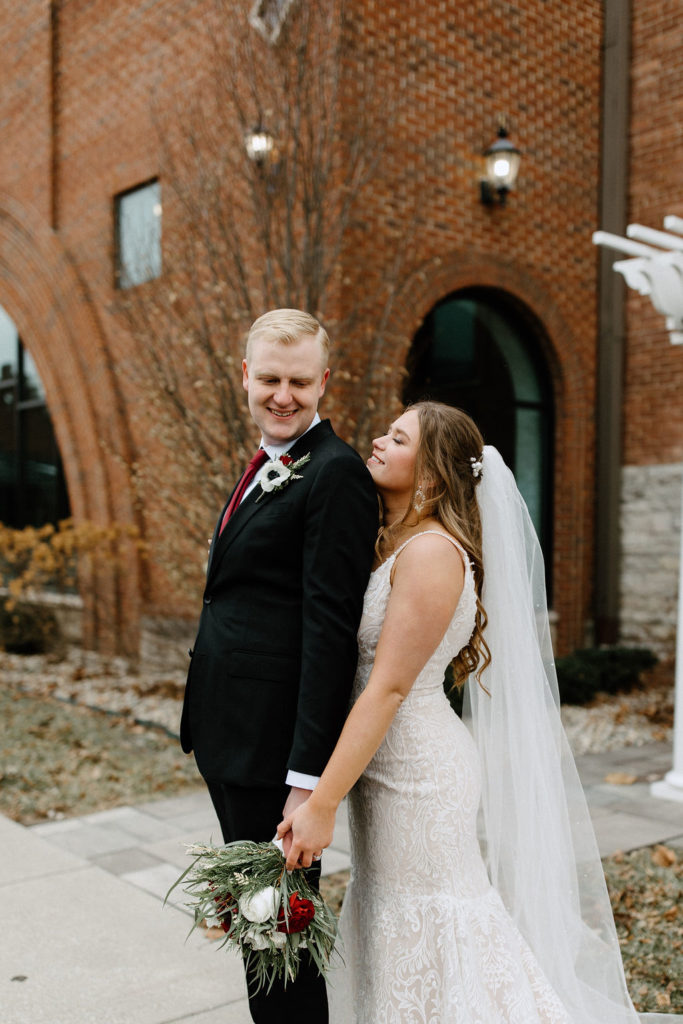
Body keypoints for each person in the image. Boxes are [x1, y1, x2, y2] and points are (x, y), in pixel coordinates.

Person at [278, 401, 677, 1024]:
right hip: (380, 763)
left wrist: (321, 801)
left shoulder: (434, 554)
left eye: (398, 437)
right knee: (391, 915)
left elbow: (386, 689)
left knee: (436, 919)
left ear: (432, 476)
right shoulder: (391, 543)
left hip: (417, 770)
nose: (379, 440)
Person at [180, 308, 378, 1024]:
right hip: (232, 737)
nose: (283, 395)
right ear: (245, 375)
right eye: (269, 378)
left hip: (273, 755)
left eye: (299, 381)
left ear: (324, 380)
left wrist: (306, 784)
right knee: (260, 932)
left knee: (277, 937)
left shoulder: (333, 473)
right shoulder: (269, 461)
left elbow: (330, 633)